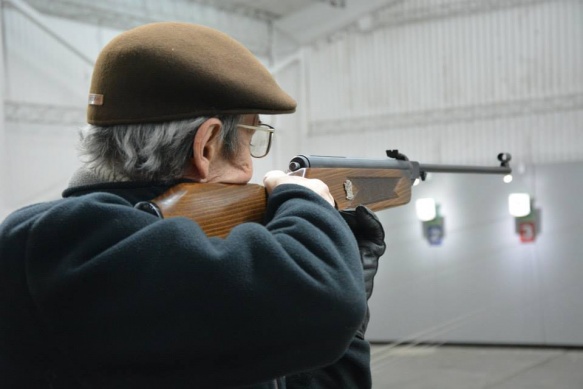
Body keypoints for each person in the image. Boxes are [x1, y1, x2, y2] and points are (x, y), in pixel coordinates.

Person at [0, 22, 385, 388]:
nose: (252, 165)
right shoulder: (53, 239)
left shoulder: (190, 272)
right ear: (207, 145)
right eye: (253, 137)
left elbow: (311, 353)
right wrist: (306, 202)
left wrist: (347, 297)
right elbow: (320, 301)